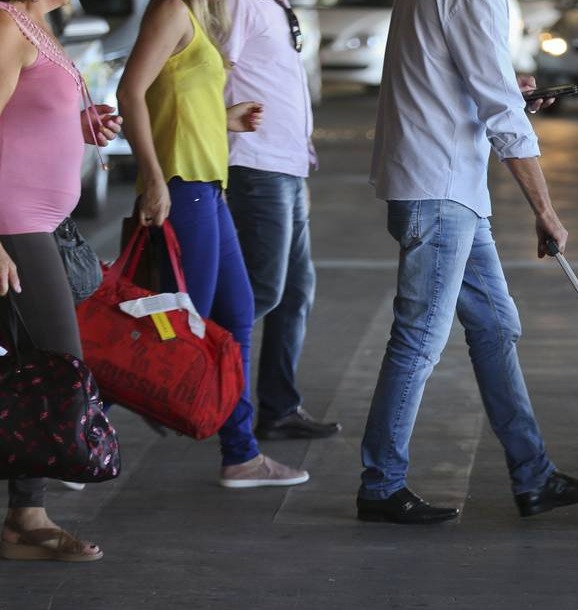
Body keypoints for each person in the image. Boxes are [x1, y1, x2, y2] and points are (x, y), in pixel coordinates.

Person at [356, 0, 578, 525]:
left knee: (496, 327)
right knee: (420, 339)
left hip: (443, 184)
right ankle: (380, 485)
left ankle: (534, 476)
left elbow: (456, 73)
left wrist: (505, 82)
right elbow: (499, 110)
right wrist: (545, 209)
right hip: (440, 186)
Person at [117, 0, 308, 488]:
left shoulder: (200, 17)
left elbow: (176, 102)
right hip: (182, 187)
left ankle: (241, 454)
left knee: (237, 314)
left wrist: (226, 118)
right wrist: (155, 180)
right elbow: (131, 92)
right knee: (178, 328)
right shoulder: (172, 11)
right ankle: (76, 417)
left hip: (209, 187)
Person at [0, 0, 122, 561]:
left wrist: (78, 124)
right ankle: (26, 516)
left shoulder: (38, 24)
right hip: (13, 224)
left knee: (32, 369)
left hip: (37, 223)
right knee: (57, 367)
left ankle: (26, 516)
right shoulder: (6, 22)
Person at [222, 0, 340, 440]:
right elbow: (214, 73)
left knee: (294, 291)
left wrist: (301, 164)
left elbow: (283, 88)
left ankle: (278, 407)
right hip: (255, 164)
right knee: (262, 291)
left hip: (285, 167)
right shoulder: (242, 4)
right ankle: (192, 380)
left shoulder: (278, 6)